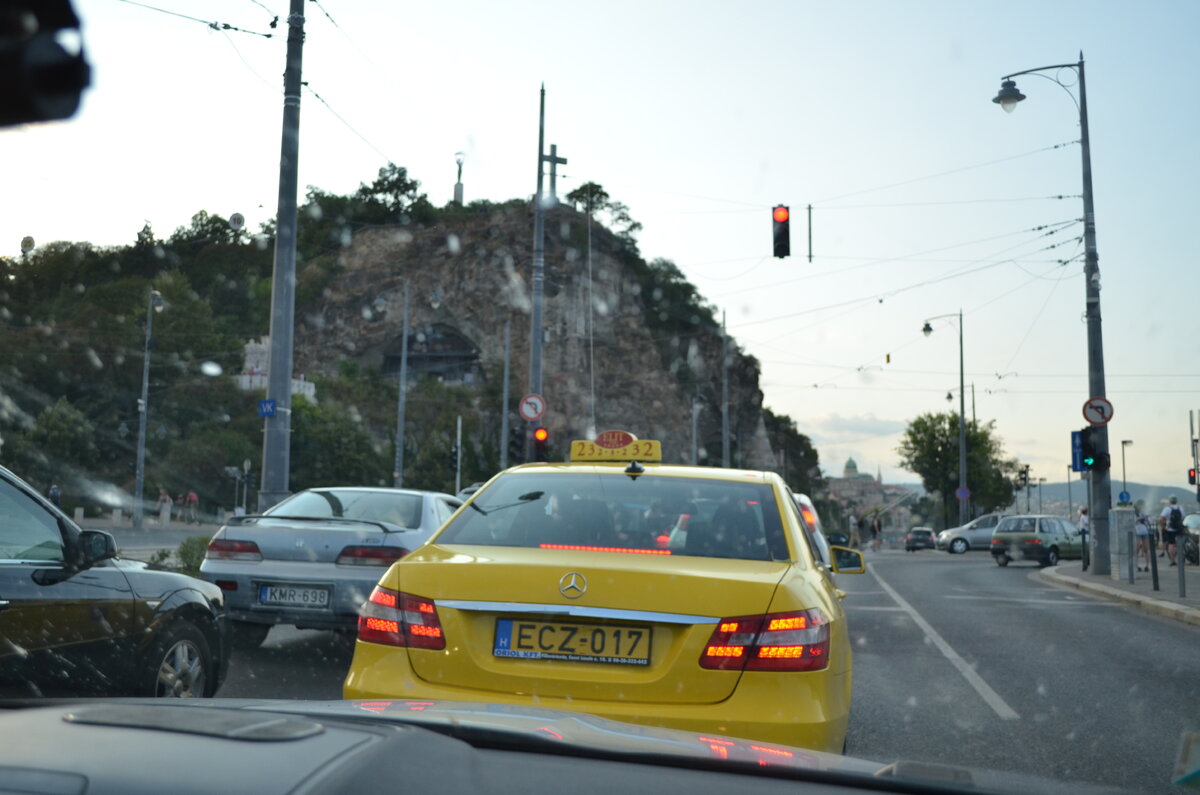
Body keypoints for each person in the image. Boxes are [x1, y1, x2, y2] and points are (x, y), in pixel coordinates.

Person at [1160, 496, 1185, 566]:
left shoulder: (1167, 509)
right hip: (1179, 529)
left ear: (1170, 501)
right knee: (1179, 544)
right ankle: (1180, 558)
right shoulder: (1180, 508)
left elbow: (1161, 519)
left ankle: (1173, 560)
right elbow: (1183, 518)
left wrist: (1163, 527)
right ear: (1176, 501)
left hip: (1170, 529)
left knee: (1171, 545)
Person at [1133, 499, 1151, 572]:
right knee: (1136, 549)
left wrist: (1146, 519)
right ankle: (1136, 565)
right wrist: (1139, 519)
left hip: (1144, 531)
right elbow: (1132, 521)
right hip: (1136, 531)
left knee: (1146, 549)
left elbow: (1148, 521)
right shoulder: (1133, 513)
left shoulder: (1143, 513)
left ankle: (1147, 565)